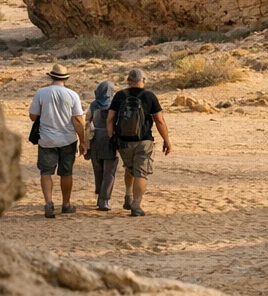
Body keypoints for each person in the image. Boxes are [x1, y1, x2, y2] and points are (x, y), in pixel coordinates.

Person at [107, 68, 171, 217]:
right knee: (141, 173)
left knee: (129, 168)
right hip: (144, 140)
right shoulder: (149, 96)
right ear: (143, 80)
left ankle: (128, 195)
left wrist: (111, 138)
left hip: (123, 141)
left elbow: (110, 119)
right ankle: (136, 205)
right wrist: (166, 140)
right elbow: (159, 120)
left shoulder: (120, 95)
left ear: (128, 80)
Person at [29, 63, 87, 218]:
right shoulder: (73, 95)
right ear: (65, 78)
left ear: (51, 76)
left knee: (46, 172)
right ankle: (66, 204)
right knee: (66, 173)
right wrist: (83, 141)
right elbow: (77, 120)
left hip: (46, 139)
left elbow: (33, 116)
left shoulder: (41, 93)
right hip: (67, 139)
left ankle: (48, 202)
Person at [85, 79, 119, 211]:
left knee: (98, 169)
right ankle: (104, 201)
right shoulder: (114, 104)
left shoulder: (94, 105)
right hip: (110, 139)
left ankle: (99, 193)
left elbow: (87, 120)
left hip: (95, 140)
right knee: (109, 172)